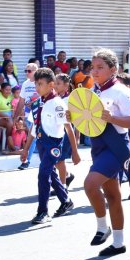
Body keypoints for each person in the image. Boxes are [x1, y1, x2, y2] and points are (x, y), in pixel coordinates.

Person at [84, 49, 130, 257]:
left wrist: (111, 119)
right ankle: (118, 243)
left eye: (100, 67)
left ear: (113, 69)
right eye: (93, 67)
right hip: (98, 145)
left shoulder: (121, 91)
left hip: (115, 146)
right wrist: (75, 116)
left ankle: (102, 227)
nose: (95, 71)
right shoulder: (94, 90)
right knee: (113, 196)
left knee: (90, 185)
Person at [21, 68, 79, 224]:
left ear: (51, 84)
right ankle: (66, 201)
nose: (37, 88)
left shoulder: (57, 104)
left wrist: (75, 151)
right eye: (36, 85)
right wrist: (26, 149)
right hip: (41, 143)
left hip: (54, 144)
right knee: (51, 174)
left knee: (43, 174)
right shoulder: (39, 102)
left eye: (40, 84)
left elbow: (68, 128)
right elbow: (35, 127)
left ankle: (43, 212)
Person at [54, 73, 78, 188]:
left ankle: (62, 186)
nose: (55, 85)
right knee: (55, 160)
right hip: (55, 132)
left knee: (59, 160)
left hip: (66, 132)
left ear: (66, 85)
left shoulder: (70, 99)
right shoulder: (53, 98)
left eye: (58, 83)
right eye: (55, 83)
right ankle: (67, 176)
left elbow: (75, 120)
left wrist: (76, 139)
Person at [16, 62, 39, 169]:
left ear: (36, 71)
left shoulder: (41, 82)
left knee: (33, 137)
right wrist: (16, 115)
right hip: (28, 115)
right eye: (26, 71)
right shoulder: (25, 84)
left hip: (39, 115)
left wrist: (35, 102)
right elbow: (21, 101)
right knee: (33, 137)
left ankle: (26, 161)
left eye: (29, 71)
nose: (27, 73)